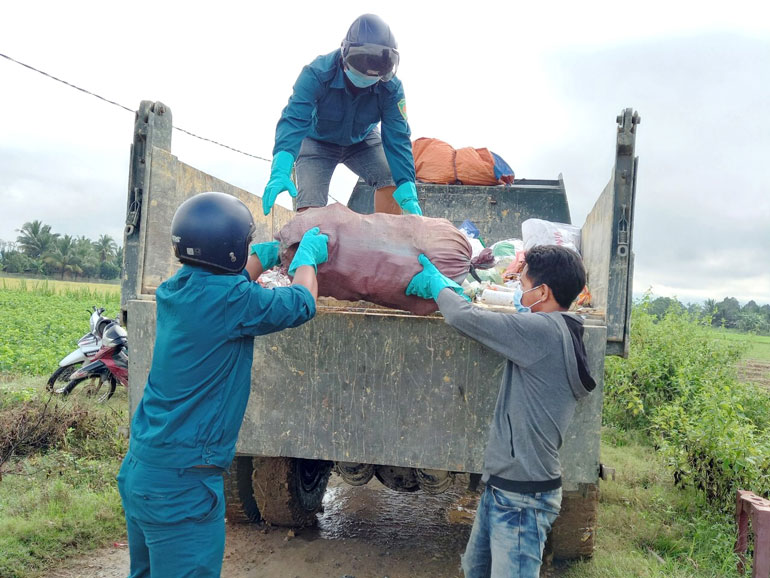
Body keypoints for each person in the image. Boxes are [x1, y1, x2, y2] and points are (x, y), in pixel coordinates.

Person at [117, 191, 328, 577]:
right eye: (245, 243)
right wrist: (307, 259)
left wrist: (258, 259)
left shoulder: (176, 289)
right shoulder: (235, 302)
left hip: (143, 471)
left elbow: (224, 285)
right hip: (184, 487)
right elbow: (302, 302)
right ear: (230, 250)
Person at [405, 244, 596, 578]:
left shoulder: (543, 333)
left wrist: (440, 285)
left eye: (522, 288)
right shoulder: (561, 328)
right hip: (505, 486)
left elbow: (463, 316)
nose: (519, 295)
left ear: (543, 292)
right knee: (474, 570)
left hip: (522, 499)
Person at [261, 13, 422, 218]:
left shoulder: (391, 89)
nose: (368, 76)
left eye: (376, 73)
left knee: (391, 177)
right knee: (310, 209)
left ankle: (388, 239)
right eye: (362, 70)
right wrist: (280, 169)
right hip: (317, 141)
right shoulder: (316, 74)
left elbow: (397, 138)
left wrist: (408, 190)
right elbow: (294, 120)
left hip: (362, 140)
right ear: (345, 56)